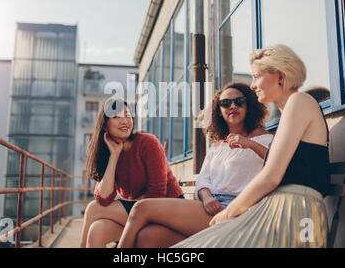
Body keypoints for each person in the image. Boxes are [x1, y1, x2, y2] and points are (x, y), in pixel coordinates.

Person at [173, 44, 330, 248]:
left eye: (257, 76)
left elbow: (271, 177)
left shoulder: (299, 101)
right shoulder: (291, 111)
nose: (253, 85)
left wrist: (227, 213)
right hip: (279, 208)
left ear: (280, 76)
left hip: (296, 212)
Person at [116, 82, 273, 248]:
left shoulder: (262, 138)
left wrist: (249, 144)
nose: (232, 106)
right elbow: (204, 179)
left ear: (248, 104)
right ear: (219, 112)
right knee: (148, 237)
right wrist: (207, 197)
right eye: (226, 103)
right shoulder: (218, 146)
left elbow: (278, 164)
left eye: (239, 101)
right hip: (208, 206)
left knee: (141, 208)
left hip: (236, 210)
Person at [79, 98, 183, 248]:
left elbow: (157, 193)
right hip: (138, 213)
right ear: (105, 125)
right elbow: (104, 199)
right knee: (97, 230)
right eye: (116, 117)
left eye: (127, 115)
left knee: (92, 209)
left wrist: (135, 201)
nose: (124, 121)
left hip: (168, 210)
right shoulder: (108, 153)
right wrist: (114, 156)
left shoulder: (147, 143)